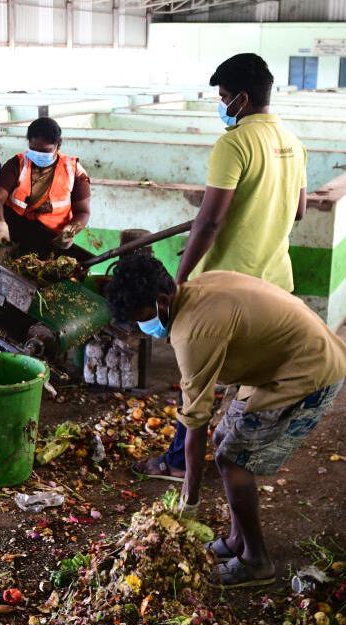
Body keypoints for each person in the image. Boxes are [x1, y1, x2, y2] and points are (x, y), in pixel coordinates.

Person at [105, 254, 346, 587]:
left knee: (233, 459)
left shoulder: (192, 334)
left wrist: (188, 503)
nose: (143, 329)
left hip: (308, 371)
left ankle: (256, 561)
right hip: (279, 362)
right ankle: (237, 541)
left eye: (144, 318)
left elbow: (194, 425)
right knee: (225, 441)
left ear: (162, 301)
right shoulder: (199, 286)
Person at [134, 53, 309, 482]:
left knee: (199, 379)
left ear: (242, 99)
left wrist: (180, 276)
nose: (222, 105)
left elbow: (210, 220)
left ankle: (181, 462)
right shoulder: (291, 139)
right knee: (240, 379)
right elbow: (300, 211)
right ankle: (229, 458)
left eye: (224, 98)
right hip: (275, 280)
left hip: (227, 283)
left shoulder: (233, 144)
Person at [0, 117, 90, 250]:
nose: (38, 154)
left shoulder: (74, 171)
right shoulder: (17, 164)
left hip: (51, 241)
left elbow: (83, 212)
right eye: (33, 149)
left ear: (58, 145)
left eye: (45, 151)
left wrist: (70, 230)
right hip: (12, 234)